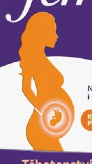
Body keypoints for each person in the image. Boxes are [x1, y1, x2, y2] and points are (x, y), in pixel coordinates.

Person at [19, 12, 74, 150]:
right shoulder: (32, 58)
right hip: (40, 127)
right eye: (52, 32)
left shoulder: (41, 58)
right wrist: (46, 111)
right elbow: (26, 89)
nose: (56, 36)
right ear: (41, 34)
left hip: (47, 126)